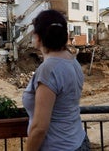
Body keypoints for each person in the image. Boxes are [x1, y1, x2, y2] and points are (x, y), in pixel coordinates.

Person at [22, 9, 90, 150]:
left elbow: (40, 127)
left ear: (38, 37)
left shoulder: (49, 69)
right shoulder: (73, 61)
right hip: (79, 141)